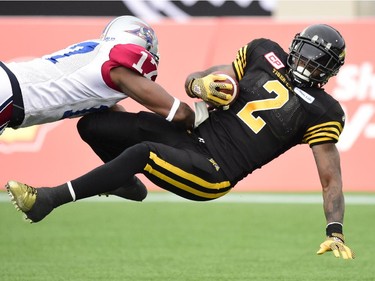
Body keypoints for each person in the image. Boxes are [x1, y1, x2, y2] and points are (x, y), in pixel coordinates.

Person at [6, 24, 354, 259]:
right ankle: (126, 183)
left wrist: (335, 230)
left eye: (318, 59)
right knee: (96, 125)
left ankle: (47, 200)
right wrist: (200, 85)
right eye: (305, 52)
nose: (308, 62)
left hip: (213, 170)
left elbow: (330, 177)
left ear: (330, 69)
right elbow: (197, 79)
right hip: (192, 135)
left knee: (143, 152)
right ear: (294, 47)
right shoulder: (264, 53)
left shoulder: (324, 111)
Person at [1, 15, 195, 201]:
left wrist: (120, 175)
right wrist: (204, 127)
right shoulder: (118, 63)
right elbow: (178, 113)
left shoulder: (95, 54)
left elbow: (114, 119)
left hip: (8, 87)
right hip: (8, 97)